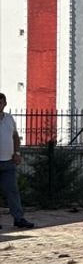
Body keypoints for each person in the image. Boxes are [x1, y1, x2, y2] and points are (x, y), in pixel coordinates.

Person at [0, 93, 34, 229]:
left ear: (5, 104)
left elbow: (15, 137)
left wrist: (17, 153)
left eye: (1, 102)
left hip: (8, 161)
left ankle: (18, 218)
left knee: (13, 191)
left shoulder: (9, 118)